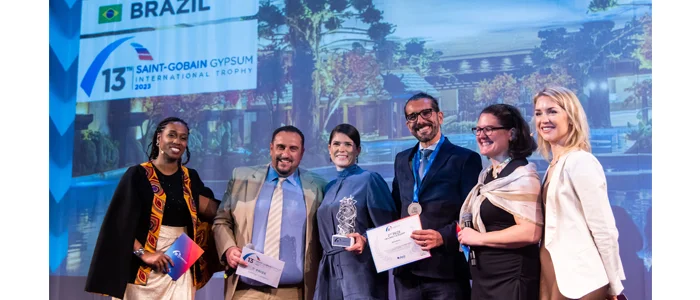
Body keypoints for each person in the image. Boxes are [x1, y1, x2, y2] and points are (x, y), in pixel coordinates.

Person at [85, 117, 221, 300]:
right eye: (171, 135)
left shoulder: (191, 178)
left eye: (183, 137)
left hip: (180, 264)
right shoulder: (138, 175)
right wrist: (145, 254)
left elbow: (211, 211)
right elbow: (119, 224)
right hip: (142, 269)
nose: (177, 142)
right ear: (158, 138)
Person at [213, 125, 327, 300]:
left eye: (293, 149)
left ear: (302, 152)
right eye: (281, 147)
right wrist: (228, 249)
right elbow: (222, 220)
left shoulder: (318, 186)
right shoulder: (241, 178)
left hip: (294, 293)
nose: (286, 154)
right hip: (246, 290)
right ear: (271, 147)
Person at [533, 87, 626, 300]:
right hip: (552, 272)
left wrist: (613, 284)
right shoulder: (553, 166)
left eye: (552, 111)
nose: (544, 119)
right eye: (538, 113)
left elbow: (603, 228)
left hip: (581, 278)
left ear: (571, 118)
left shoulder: (581, 161)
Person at [391, 92, 483, 300]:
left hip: (446, 271)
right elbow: (396, 207)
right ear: (407, 124)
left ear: (439, 117)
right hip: (407, 272)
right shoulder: (401, 159)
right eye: (412, 117)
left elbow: (472, 213)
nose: (420, 120)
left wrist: (444, 236)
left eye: (426, 113)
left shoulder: (465, 159)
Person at [457, 104, 542, 300]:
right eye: (478, 129)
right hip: (484, 278)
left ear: (511, 133)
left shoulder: (522, 175)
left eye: (489, 129)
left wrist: (478, 239)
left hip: (511, 279)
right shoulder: (487, 176)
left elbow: (531, 232)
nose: (481, 135)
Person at [313, 124, 397, 300]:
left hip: (359, 269)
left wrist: (365, 239)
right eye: (336, 144)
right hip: (329, 269)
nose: (341, 149)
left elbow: (390, 227)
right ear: (329, 148)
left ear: (358, 150)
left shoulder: (369, 180)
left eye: (348, 144)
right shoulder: (328, 188)